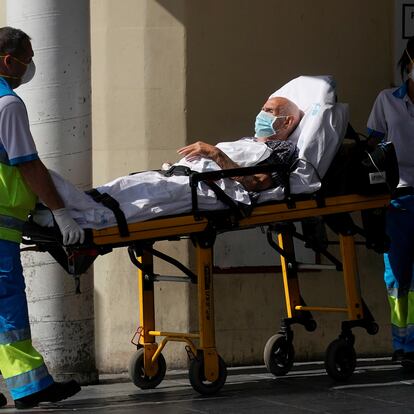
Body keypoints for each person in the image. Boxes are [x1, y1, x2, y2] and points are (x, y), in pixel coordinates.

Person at [0, 27, 84, 408]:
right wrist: (60, 211)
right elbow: (28, 165)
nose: (30, 65)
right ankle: (31, 387)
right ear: (8, 60)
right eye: (28, 58)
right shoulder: (7, 104)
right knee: (7, 308)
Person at [367, 36, 414, 367]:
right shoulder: (387, 101)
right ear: (409, 65)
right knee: (397, 276)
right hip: (397, 200)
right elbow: (372, 149)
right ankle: (401, 343)